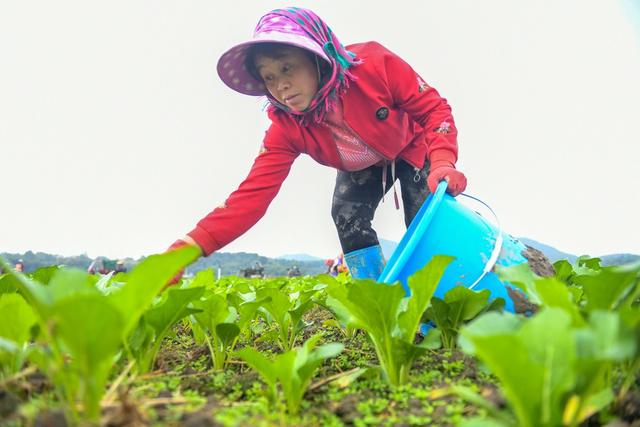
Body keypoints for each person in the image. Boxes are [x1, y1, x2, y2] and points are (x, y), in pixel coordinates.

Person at [165, 7, 466, 282]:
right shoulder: (286, 128)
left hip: (410, 144)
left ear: (319, 60)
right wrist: (183, 251)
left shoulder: (374, 66)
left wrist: (442, 160)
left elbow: (433, 109)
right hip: (360, 163)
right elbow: (251, 196)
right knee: (346, 214)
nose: (281, 86)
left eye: (287, 69)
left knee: (427, 218)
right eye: (268, 77)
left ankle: (453, 293)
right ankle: (379, 302)